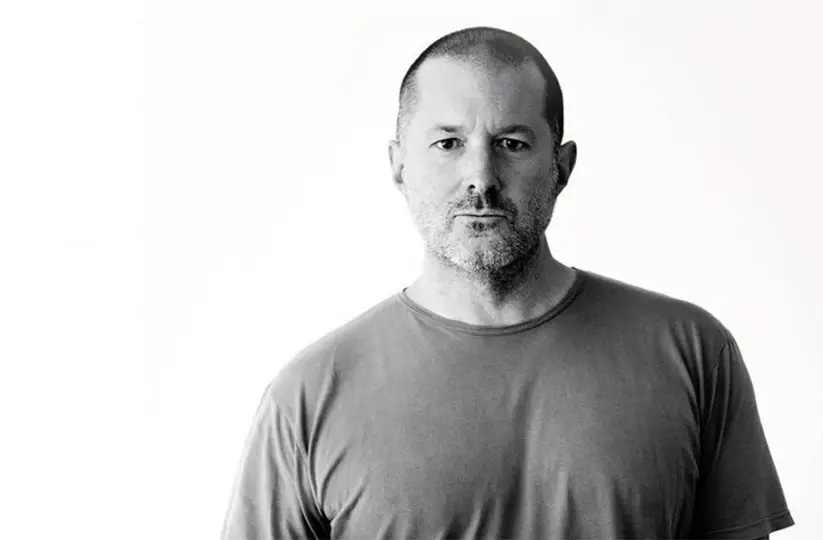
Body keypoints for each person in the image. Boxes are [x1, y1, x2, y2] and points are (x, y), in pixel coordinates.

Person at [221, 26, 794, 540]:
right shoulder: (309, 396)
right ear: (398, 165)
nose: (481, 178)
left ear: (562, 167)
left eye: (512, 143)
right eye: (448, 143)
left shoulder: (692, 353)